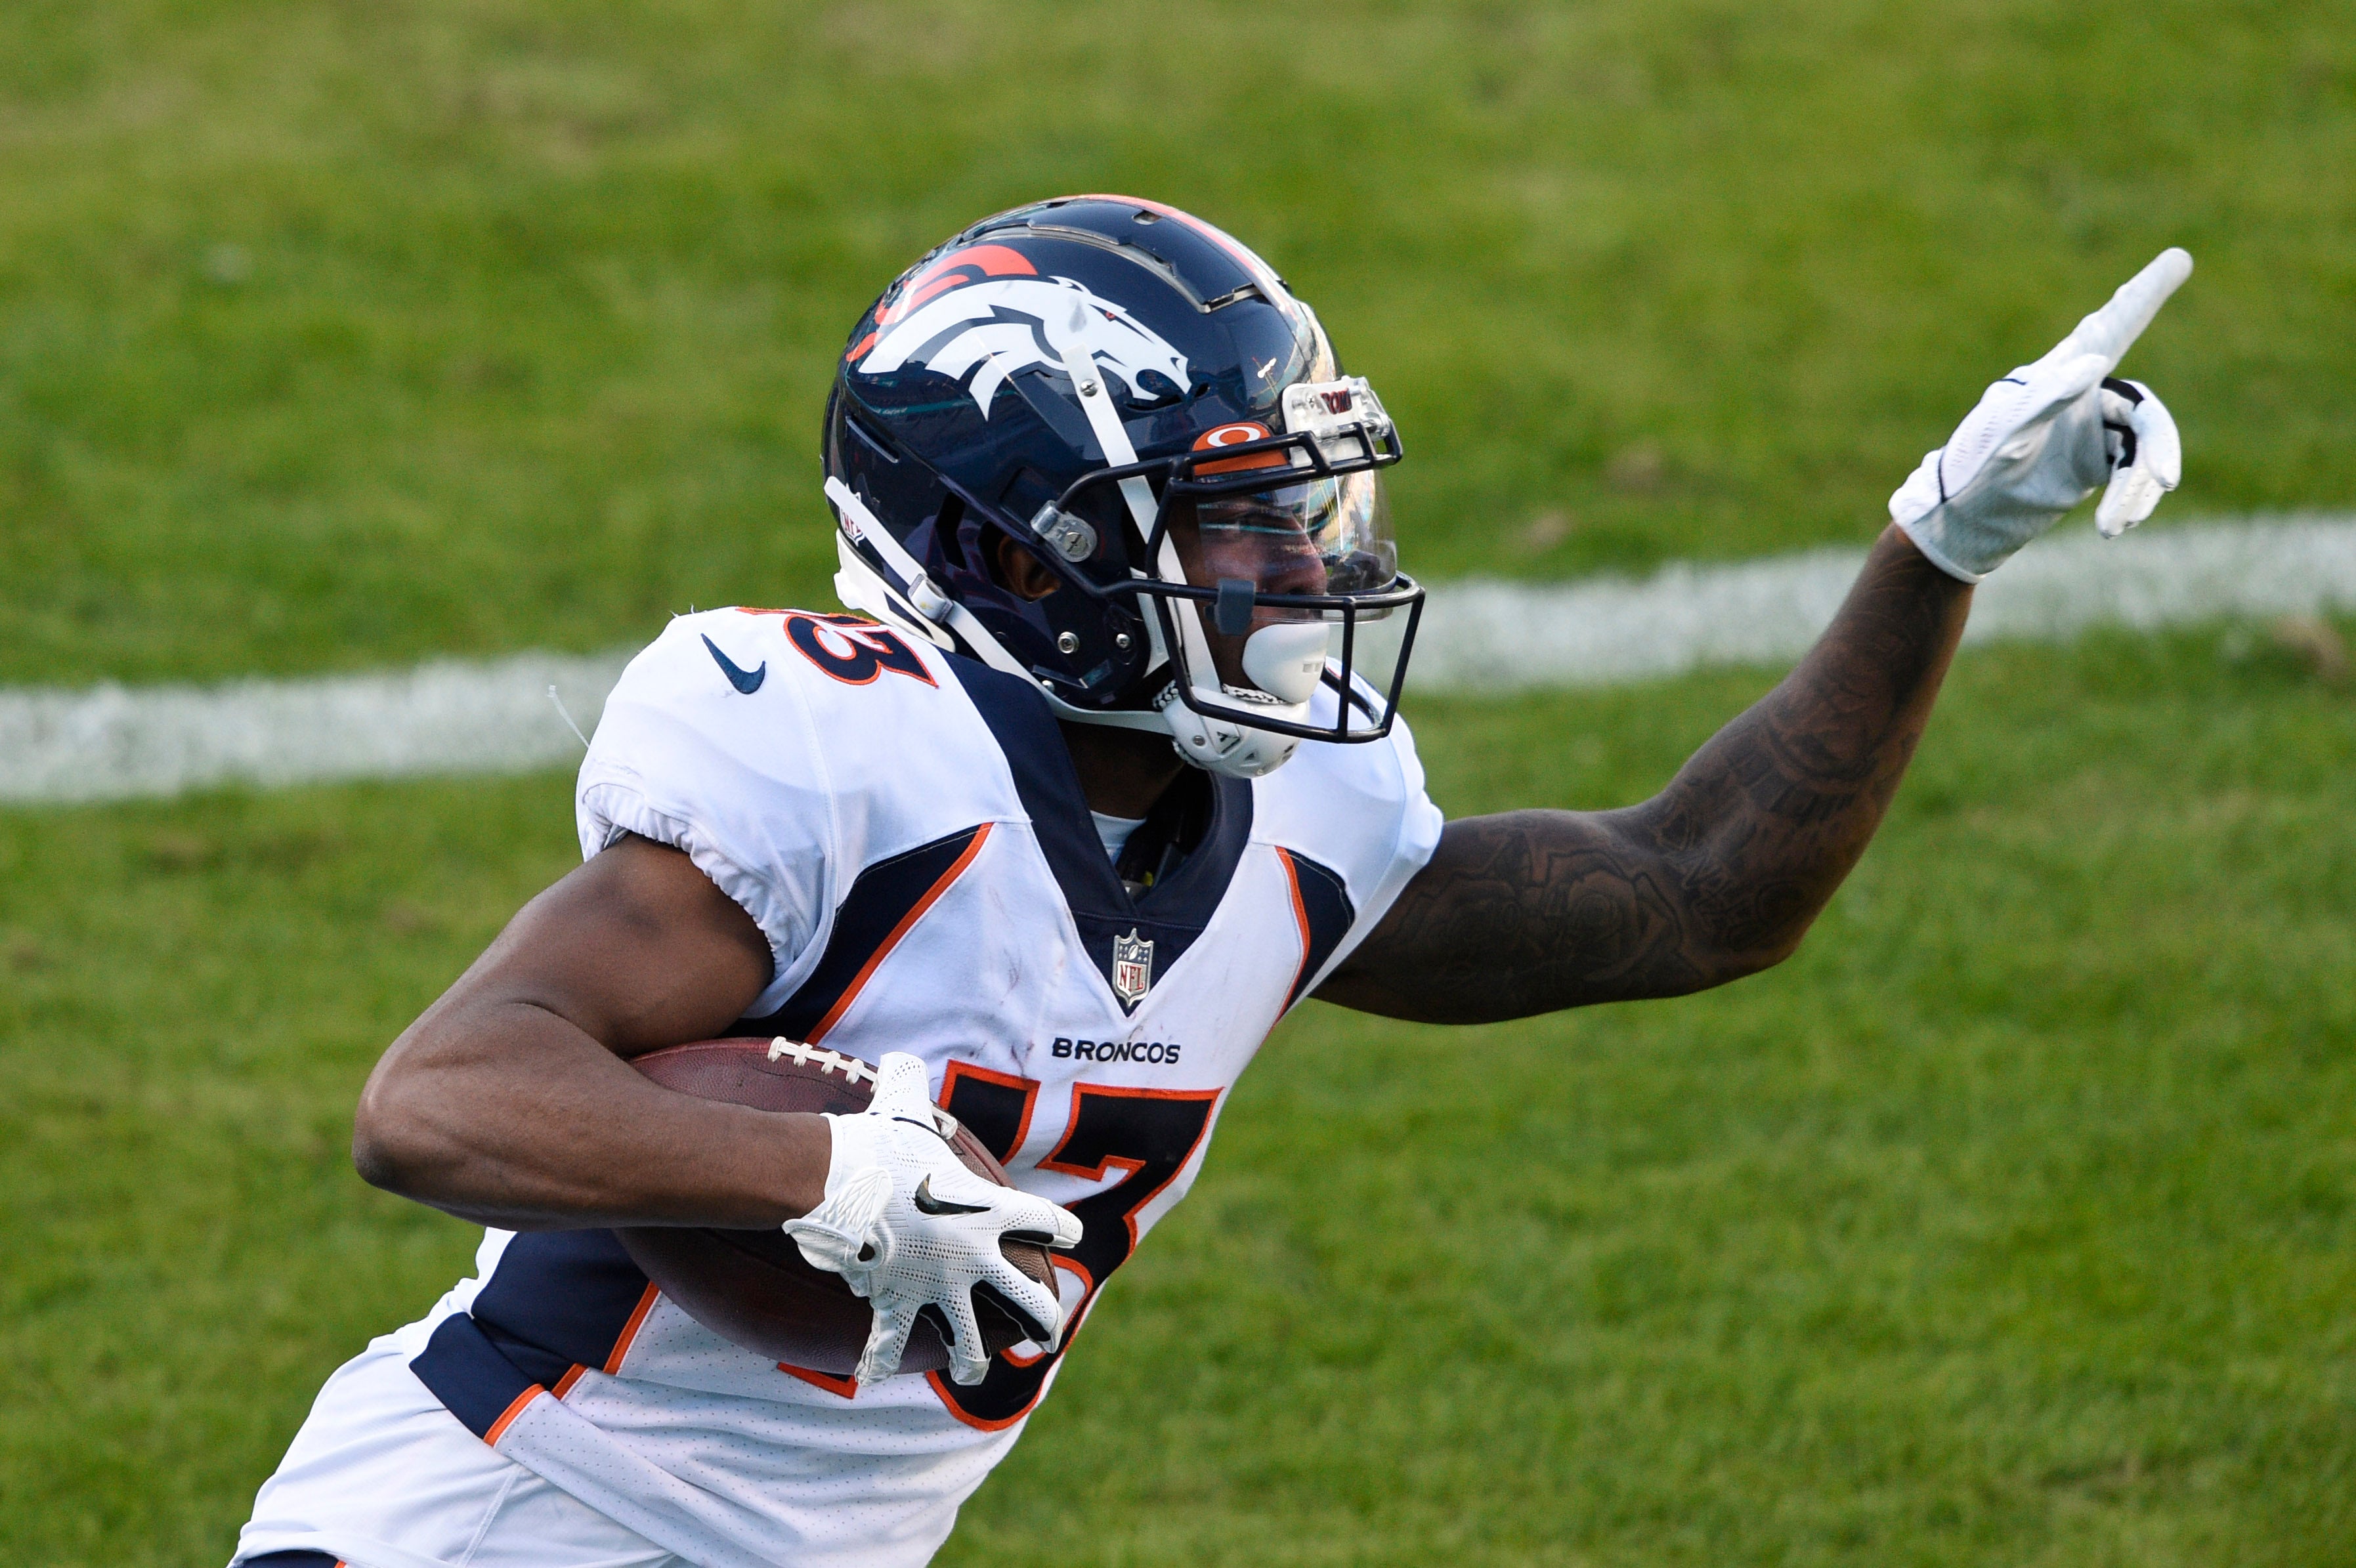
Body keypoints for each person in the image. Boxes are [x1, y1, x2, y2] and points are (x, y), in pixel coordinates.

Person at [229, 197, 2188, 1568]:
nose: (1319, 575)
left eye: (1310, 510)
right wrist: (816, 1173)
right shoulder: (846, 755)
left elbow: (1697, 893)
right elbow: (438, 1098)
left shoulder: (1296, 824)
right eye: (1243, 526)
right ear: (1025, 552)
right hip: (506, 1519)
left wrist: (1944, 540)